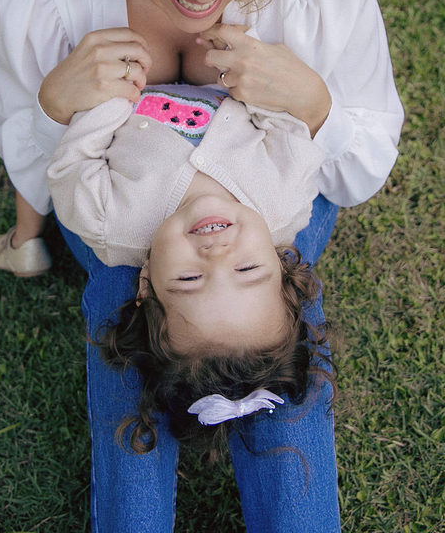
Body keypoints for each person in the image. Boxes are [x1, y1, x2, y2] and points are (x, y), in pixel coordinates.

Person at [0, 0, 403, 532]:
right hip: (117, 197)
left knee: (272, 357)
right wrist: (54, 104)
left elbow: (360, 160)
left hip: (268, 208)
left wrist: (312, 103)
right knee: (122, 311)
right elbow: (35, 161)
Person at [47, 81, 330, 454]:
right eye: (246, 270)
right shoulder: (286, 203)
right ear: (280, 263)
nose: (216, 254)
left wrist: (113, 97)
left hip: (126, 71)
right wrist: (246, 78)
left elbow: (73, 159)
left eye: (190, 278)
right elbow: (289, 121)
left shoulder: (109, 225)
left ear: (145, 284)